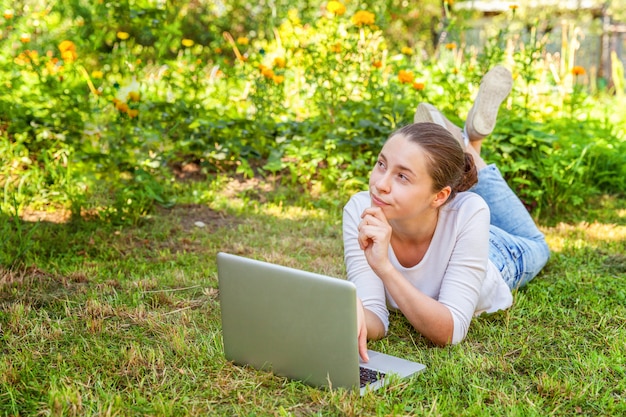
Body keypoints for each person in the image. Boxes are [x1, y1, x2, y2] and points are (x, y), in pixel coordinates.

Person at [342, 66, 551, 362]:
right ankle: (468, 143)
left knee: (538, 245)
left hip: (494, 254)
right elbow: (375, 316)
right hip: (449, 225)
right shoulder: (359, 210)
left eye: (402, 177)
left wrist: (385, 268)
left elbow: (450, 332)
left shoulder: (469, 211)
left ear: (439, 196)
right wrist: (349, 314)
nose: (380, 184)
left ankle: (468, 147)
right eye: (381, 164)